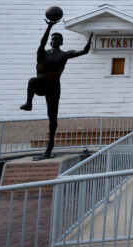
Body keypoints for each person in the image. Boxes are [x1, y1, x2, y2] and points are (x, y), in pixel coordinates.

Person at [20, 18, 91, 157]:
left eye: (59, 38)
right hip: (41, 84)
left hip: (53, 87)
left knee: (52, 117)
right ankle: (29, 103)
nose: (56, 40)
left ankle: (50, 146)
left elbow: (80, 52)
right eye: (54, 38)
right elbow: (42, 42)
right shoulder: (42, 53)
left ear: (61, 42)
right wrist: (49, 28)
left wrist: (86, 48)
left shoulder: (63, 55)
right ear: (50, 41)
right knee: (32, 81)